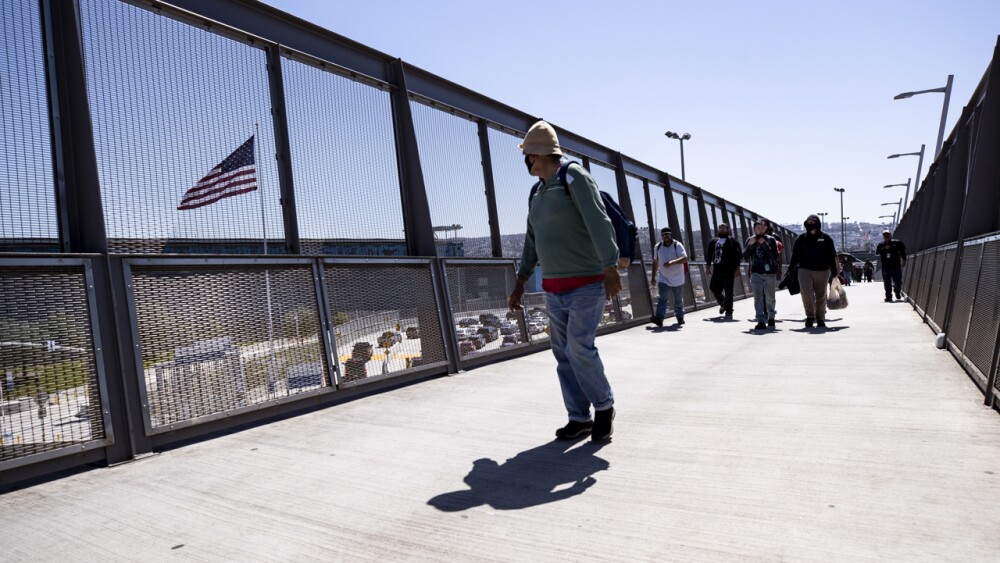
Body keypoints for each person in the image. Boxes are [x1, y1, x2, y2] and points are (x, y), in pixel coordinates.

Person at [508, 120, 620, 443]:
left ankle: (604, 406)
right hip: (554, 289)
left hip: (587, 284)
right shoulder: (537, 192)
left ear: (538, 154)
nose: (527, 162)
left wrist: (610, 266)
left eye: (529, 155)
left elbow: (599, 221)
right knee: (563, 354)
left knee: (579, 346)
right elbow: (533, 239)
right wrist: (521, 280)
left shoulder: (573, 177)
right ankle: (578, 417)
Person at [789, 214, 838, 328]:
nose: (811, 224)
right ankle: (810, 316)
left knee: (821, 295)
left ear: (818, 223)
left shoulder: (826, 238)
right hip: (805, 270)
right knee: (806, 293)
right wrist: (791, 269)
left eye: (813, 221)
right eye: (808, 222)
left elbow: (832, 255)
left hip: (823, 270)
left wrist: (835, 272)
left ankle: (820, 318)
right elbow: (795, 255)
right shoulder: (801, 239)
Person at [743, 219, 780, 330]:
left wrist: (764, 244)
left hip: (769, 273)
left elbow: (774, 256)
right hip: (756, 272)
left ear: (765, 228)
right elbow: (745, 256)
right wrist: (750, 246)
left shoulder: (771, 240)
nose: (760, 230)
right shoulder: (750, 239)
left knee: (770, 297)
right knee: (758, 297)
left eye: (762, 228)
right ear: (754, 229)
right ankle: (760, 320)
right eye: (758, 228)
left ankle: (771, 317)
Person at [650, 227, 688, 326]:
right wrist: (653, 276)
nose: (666, 236)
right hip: (663, 277)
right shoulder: (657, 246)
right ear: (661, 236)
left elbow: (685, 258)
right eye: (664, 235)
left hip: (677, 277)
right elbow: (655, 262)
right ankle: (659, 318)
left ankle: (680, 317)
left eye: (667, 234)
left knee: (678, 299)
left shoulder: (677, 245)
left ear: (671, 235)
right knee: (663, 297)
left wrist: (672, 262)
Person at [705, 223, 742, 318]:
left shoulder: (733, 241)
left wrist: (737, 268)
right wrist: (708, 267)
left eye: (724, 228)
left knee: (728, 290)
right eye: (720, 228)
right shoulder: (713, 241)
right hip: (717, 268)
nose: (722, 229)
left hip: (729, 269)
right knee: (713, 287)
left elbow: (738, 255)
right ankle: (723, 304)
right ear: (718, 230)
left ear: (727, 229)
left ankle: (729, 310)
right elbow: (709, 254)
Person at [875, 230, 907, 302]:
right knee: (887, 282)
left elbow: (902, 252)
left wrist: (904, 260)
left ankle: (897, 291)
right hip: (886, 266)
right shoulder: (881, 245)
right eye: (885, 235)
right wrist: (883, 249)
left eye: (887, 234)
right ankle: (888, 296)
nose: (886, 236)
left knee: (898, 281)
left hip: (896, 265)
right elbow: (877, 253)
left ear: (890, 235)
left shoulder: (897, 243)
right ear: (883, 236)